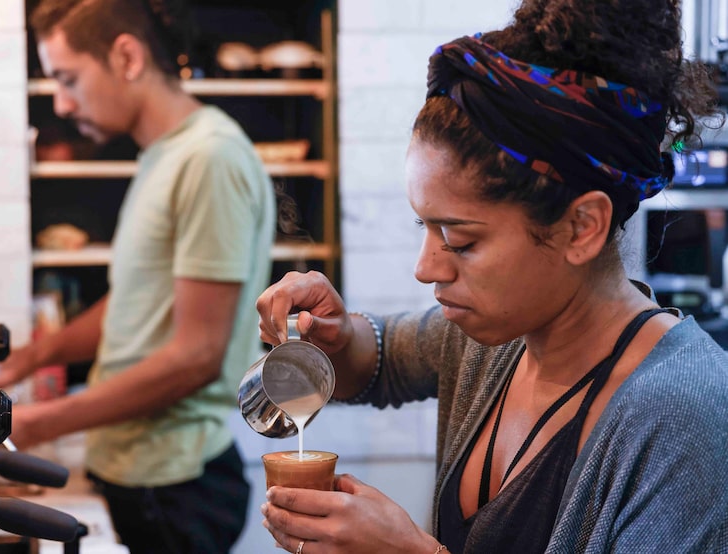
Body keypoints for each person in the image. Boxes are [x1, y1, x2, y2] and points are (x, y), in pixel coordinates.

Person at [256, 0, 728, 552]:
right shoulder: (497, 340)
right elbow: (381, 359)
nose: (425, 267)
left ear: (581, 226)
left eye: (460, 239)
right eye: (423, 226)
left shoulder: (689, 415)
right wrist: (336, 337)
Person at [0, 1, 277, 552]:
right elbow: (136, 300)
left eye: (68, 78)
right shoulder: (161, 156)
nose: (61, 102)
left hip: (175, 485)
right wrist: (31, 357)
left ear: (126, 56)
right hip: (138, 472)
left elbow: (197, 356)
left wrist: (37, 423)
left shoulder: (209, 158)